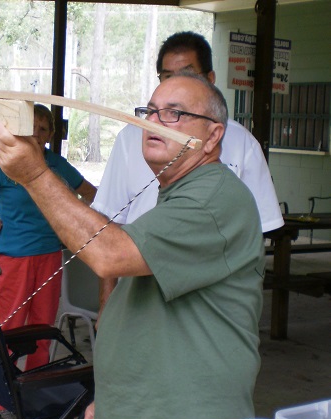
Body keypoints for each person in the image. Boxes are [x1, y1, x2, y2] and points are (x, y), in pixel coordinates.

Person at [0, 72, 265, 419]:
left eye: (174, 113)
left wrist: (35, 173)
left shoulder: (212, 199)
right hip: (143, 417)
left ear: (213, 136)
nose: (152, 121)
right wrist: (115, 403)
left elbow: (109, 255)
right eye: (149, 111)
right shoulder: (178, 194)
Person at [91, 31, 283, 315]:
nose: (175, 85)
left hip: (204, 304)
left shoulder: (242, 144)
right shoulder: (133, 138)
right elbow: (111, 221)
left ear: (210, 79)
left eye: (187, 75)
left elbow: (256, 235)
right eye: (166, 77)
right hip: (135, 289)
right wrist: (107, 300)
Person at [0, 104, 97, 371]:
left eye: (43, 128)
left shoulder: (56, 164)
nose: (36, 133)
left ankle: (35, 384)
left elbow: (92, 193)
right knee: (8, 325)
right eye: (31, 126)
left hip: (50, 256)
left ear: (50, 134)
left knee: (42, 328)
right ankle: (1, 395)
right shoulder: (6, 163)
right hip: (13, 259)